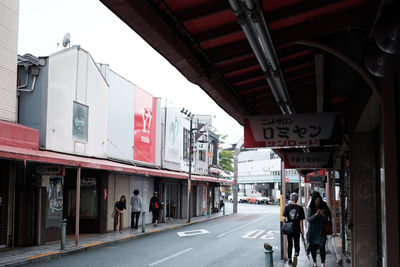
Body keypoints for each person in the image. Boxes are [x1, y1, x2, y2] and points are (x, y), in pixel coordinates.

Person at [307, 194, 331, 267]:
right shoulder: (310, 208)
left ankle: (323, 263)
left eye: (319, 201)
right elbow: (309, 220)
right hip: (313, 230)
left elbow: (327, 218)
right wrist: (315, 215)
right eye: (316, 201)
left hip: (321, 229)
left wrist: (322, 214)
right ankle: (315, 263)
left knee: (322, 246)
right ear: (314, 201)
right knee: (313, 248)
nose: (318, 202)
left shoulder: (323, 207)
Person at [283, 193, 305, 265]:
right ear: (297, 199)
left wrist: (286, 224)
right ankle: (296, 254)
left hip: (289, 228)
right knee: (296, 243)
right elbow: (301, 220)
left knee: (290, 243)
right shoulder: (300, 208)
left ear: (290, 199)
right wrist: (302, 230)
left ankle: (289, 258)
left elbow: (284, 218)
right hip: (297, 228)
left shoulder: (287, 207)